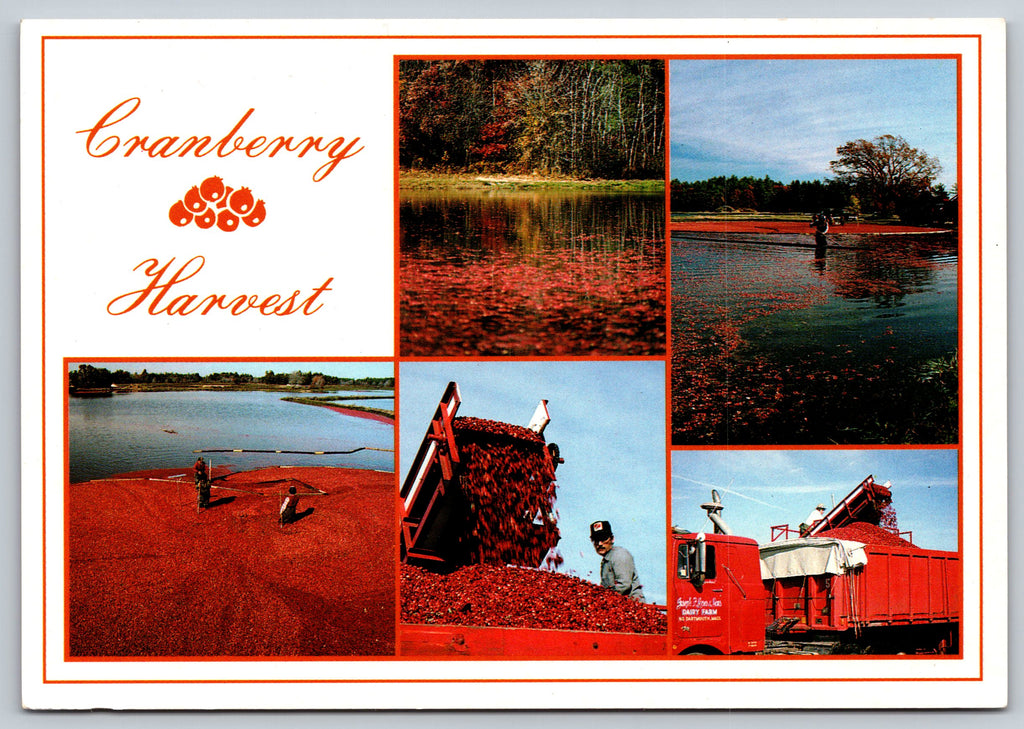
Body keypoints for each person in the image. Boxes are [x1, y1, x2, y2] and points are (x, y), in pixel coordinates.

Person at [589, 520, 644, 601]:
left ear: (612, 539)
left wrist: (601, 599)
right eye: (596, 540)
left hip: (632, 606)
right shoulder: (607, 559)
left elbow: (624, 585)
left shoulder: (619, 555)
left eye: (603, 538)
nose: (599, 544)